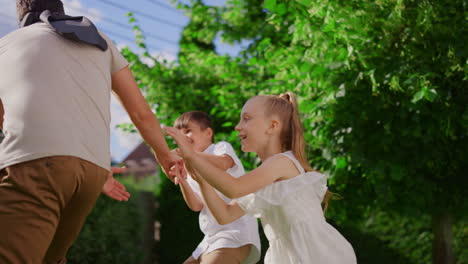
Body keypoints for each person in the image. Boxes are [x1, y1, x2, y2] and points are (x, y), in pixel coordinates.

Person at [0, 1, 180, 263]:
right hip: (93, 171)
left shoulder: (7, 44)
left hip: (36, 163)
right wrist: (164, 156)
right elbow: (141, 113)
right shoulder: (98, 39)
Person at [166, 92, 357, 264]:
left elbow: (234, 188)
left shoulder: (282, 162)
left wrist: (190, 155)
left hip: (316, 255)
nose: (237, 126)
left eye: (246, 119)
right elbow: (225, 215)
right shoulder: (262, 176)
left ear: (272, 126)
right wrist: (200, 180)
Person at [171, 111, 261, 264]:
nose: (183, 137)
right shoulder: (189, 165)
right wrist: (182, 180)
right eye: (179, 134)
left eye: (188, 131)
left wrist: (189, 154)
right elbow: (196, 205)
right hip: (211, 236)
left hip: (235, 231)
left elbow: (224, 163)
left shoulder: (220, 148)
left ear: (208, 133)